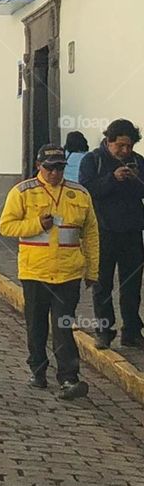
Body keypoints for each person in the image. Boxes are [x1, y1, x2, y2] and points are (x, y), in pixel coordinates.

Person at [0, 143, 99, 400]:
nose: (55, 173)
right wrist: (35, 224)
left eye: (59, 168)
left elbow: (90, 234)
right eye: (50, 168)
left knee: (64, 325)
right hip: (35, 272)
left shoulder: (79, 194)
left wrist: (93, 271)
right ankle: (38, 370)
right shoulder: (22, 192)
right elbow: (6, 227)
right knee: (36, 325)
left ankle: (69, 378)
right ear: (38, 166)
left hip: (69, 272)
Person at [78, 118, 144, 350]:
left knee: (132, 285)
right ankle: (104, 330)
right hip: (102, 232)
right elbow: (86, 190)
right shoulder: (92, 160)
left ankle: (132, 330)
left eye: (130, 146)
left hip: (132, 231)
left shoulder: (138, 162)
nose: (125, 151)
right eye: (121, 146)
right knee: (102, 285)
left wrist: (135, 178)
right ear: (109, 141)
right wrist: (112, 178)